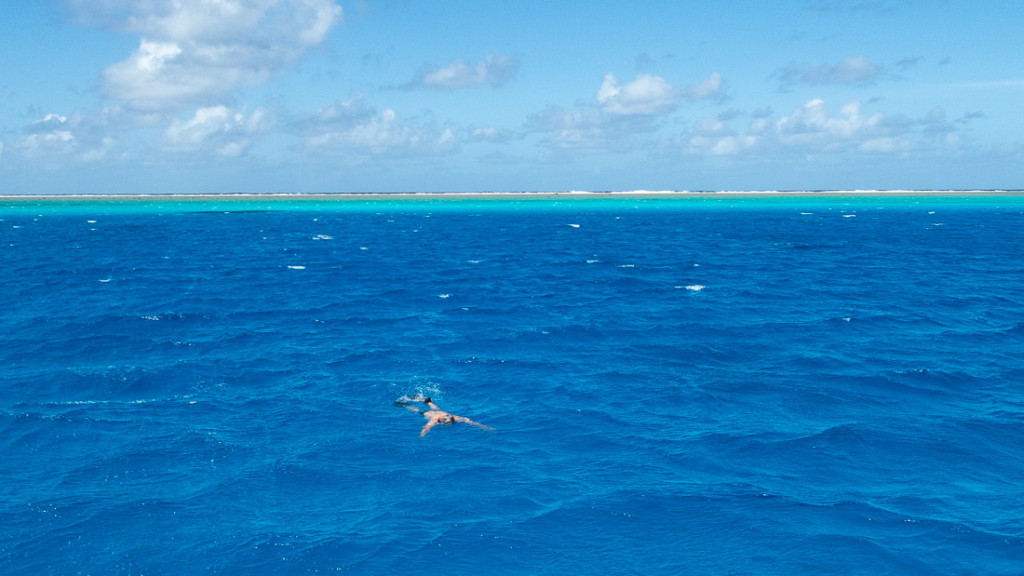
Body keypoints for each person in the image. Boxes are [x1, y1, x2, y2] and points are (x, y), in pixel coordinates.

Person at [397, 394, 494, 437]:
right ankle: (404, 405)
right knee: (417, 411)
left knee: (436, 408)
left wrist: (484, 427)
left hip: (441, 412)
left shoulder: (456, 419)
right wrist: (422, 435)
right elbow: (426, 427)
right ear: (441, 420)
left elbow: (469, 421)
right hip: (428, 414)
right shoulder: (434, 420)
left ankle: (428, 401)